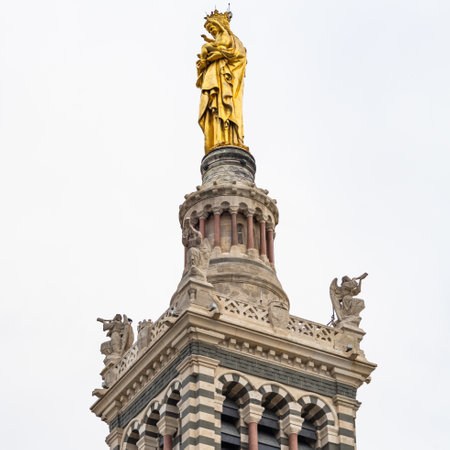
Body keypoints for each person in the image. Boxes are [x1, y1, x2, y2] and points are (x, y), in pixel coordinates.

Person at [196, 10, 247, 152]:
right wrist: (204, 63)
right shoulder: (218, 40)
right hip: (214, 78)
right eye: (210, 30)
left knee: (225, 106)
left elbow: (239, 56)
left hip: (226, 81)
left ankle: (229, 138)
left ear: (220, 24)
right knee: (215, 108)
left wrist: (218, 53)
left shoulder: (231, 39)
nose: (212, 31)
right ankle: (216, 138)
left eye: (213, 28)